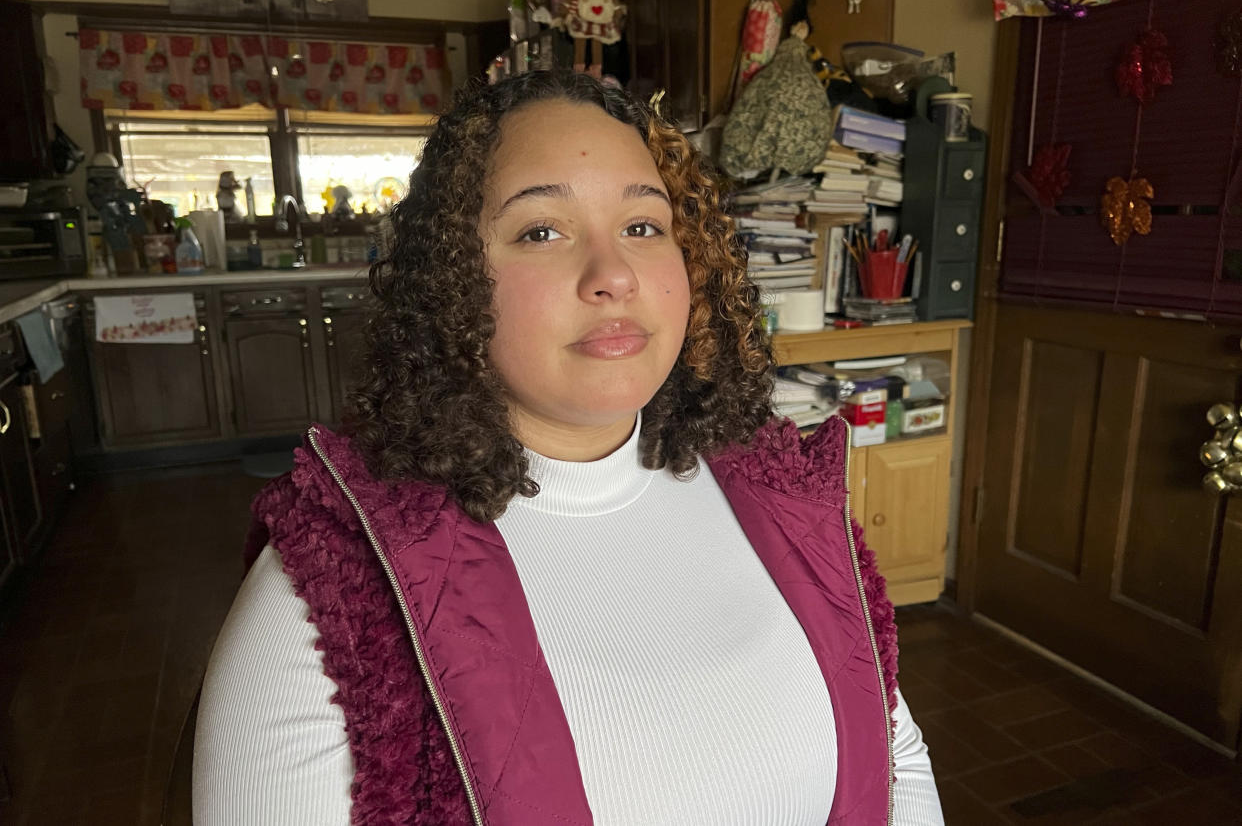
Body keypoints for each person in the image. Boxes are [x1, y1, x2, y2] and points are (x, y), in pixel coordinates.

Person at [193, 70, 944, 825]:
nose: (612, 274)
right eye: (541, 231)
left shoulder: (784, 494)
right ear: (452, 280)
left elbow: (893, 759)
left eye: (643, 227)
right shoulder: (339, 591)